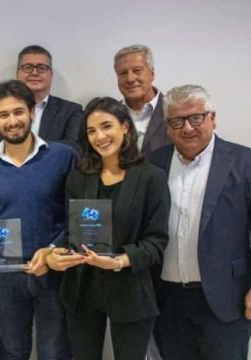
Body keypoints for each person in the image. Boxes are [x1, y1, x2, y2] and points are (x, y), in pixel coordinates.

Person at [44, 96, 170, 360]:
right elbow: (71, 233)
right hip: (82, 287)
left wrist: (118, 261)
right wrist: (57, 254)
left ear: (125, 127)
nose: (99, 136)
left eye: (106, 126)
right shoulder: (80, 176)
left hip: (130, 287)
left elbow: (157, 242)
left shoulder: (151, 177)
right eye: (91, 131)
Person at [0, 79, 75, 360]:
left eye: (18, 112)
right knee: (12, 351)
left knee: (55, 352)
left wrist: (53, 250)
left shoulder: (63, 157)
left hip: (54, 271)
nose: (12, 121)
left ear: (31, 112)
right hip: (7, 274)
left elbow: (75, 216)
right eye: (3, 115)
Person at [148, 85, 251, 360]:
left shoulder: (244, 162)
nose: (188, 128)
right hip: (167, 300)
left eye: (196, 118)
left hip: (226, 298)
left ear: (212, 118)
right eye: (177, 121)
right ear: (168, 127)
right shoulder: (152, 164)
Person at [0, 45, 83, 150]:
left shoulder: (71, 111)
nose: (34, 73)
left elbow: (73, 147)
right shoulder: (1, 109)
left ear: (51, 74)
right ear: (17, 74)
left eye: (42, 68)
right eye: (27, 67)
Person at [114, 44, 171, 154]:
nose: (130, 79)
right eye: (123, 73)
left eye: (137, 70)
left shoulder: (174, 111)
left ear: (152, 74)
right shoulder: (110, 115)